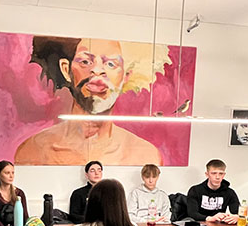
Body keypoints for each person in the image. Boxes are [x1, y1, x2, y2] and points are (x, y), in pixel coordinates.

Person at [15, 37, 168, 165]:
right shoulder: (33, 151)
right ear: (66, 70)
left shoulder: (145, 156)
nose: (97, 71)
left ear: (125, 76)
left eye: (111, 64)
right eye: (85, 62)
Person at [186, 159, 240, 223]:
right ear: (207, 174)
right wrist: (210, 218)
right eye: (213, 173)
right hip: (199, 224)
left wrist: (236, 217)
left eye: (221, 174)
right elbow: (192, 213)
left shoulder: (229, 192)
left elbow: (237, 212)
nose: (217, 177)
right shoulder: (195, 190)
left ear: (224, 175)